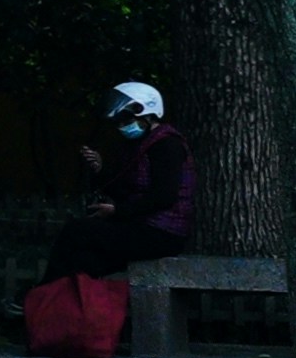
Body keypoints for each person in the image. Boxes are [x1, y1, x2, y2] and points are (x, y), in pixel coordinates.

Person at [40, 78, 203, 293]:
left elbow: (164, 196)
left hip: (162, 233)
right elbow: (127, 189)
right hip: (142, 227)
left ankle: (40, 293)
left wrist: (118, 211)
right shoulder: (140, 146)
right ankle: (61, 309)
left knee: (76, 231)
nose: (122, 126)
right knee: (84, 261)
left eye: (126, 119)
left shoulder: (166, 145)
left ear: (146, 112)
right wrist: (100, 170)